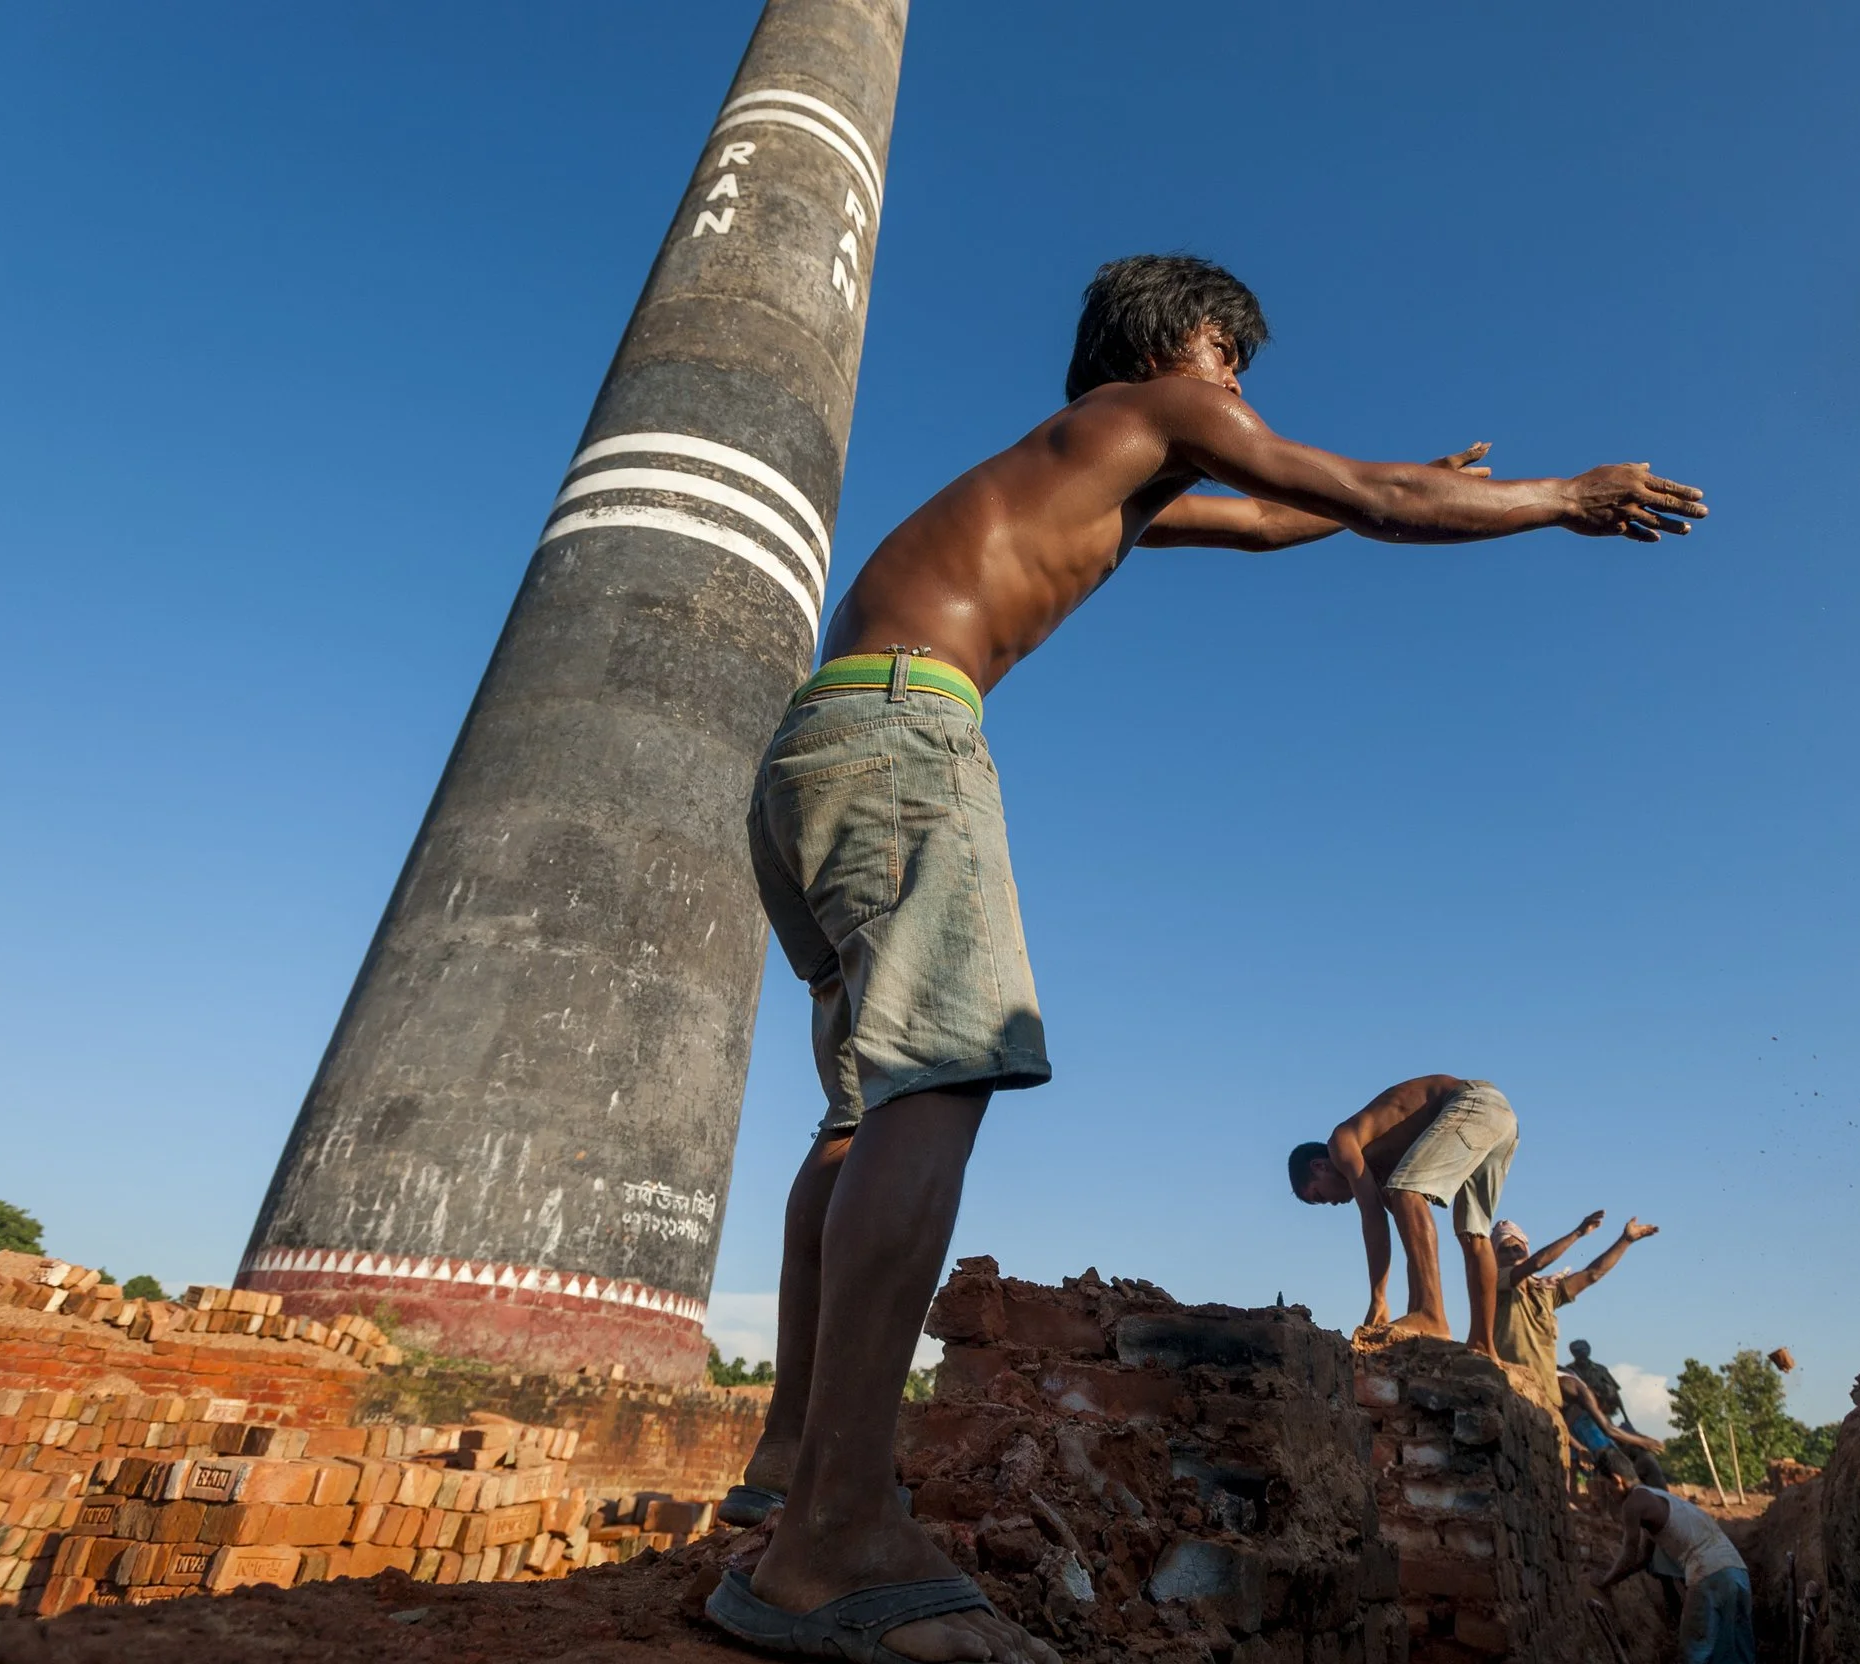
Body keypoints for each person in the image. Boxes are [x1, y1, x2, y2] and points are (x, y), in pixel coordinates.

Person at [705, 253, 1708, 1664]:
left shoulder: (1091, 465)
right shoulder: (1164, 401)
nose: (1238, 391)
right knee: (939, 1081)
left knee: (861, 1114)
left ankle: (787, 1464)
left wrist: (1390, 479)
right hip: (908, 741)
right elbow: (1364, 500)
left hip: (818, 749)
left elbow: (1276, 518)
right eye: (1236, 366)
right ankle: (830, 1539)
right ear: (1193, 342)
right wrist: (1559, 497)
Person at [1287, 1076, 1520, 1357]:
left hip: (1471, 1103)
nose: (1333, 1203)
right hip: (1500, 1117)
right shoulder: (1383, 1166)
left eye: (1321, 1196)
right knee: (1474, 1233)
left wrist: (1378, 1298)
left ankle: (1431, 1315)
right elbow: (1410, 1236)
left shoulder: (1343, 1143)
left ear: (1320, 1166)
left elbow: (1373, 1218)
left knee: (1406, 1191)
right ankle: (1483, 1346)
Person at [1494, 1214, 1658, 1411]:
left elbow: (1592, 1274)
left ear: (1526, 1251)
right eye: (1505, 1250)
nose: (1513, 1255)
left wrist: (1626, 1240)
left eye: (1517, 1249)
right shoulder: (1494, 1283)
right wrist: (1578, 1233)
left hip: (1546, 1399)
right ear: (1494, 1257)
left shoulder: (1543, 1292)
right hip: (1514, 1393)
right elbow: (1537, 1263)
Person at [1595, 1485, 1757, 1663]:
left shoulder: (1635, 1502)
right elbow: (1643, 1559)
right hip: (1738, 1572)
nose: (1609, 1494)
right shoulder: (1667, 1504)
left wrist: (1605, 1582)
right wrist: (1617, 1578)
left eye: (1608, 1488)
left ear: (1616, 1480)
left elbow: (1630, 1554)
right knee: (1738, 1644)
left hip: (1708, 1574)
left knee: (1697, 1649)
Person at [1559, 1369, 1669, 1489]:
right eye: (1607, 1409)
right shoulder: (1583, 1397)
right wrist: (1644, 1442)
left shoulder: (1580, 1398)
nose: (1605, 1413)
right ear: (1601, 1400)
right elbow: (1608, 1429)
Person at [1566, 1338, 1637, 1430]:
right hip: (1577, 1414)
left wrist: (1626, 1418)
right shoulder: (1569, 1371)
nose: (1582, 1355)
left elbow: (1615, 1394)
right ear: (1574, 1354)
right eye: (1579, 1352)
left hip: (1601, 1412)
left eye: (1584, 1351)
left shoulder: (1601, 1370)